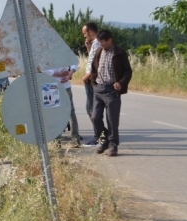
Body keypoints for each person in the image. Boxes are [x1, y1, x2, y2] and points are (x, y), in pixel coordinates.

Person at [90, 29, 132, 157]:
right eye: (99, 42)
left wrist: (121, 83)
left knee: (112, 120)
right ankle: (103, 141)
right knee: (95, 118)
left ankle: (113, 145)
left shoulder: (119, 53)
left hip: (112, 91)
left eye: (103, 42)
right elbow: (93, 69)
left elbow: (128, 71)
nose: (101, 44)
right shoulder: (98, 52)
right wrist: (94, 83)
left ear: (110, 40)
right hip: (98, 89)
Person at [81, 21, 107, 145]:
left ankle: (100, 136)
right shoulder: (94, 44)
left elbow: (96, 63)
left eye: (85, 33)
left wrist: (87, 76)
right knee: (90, 108)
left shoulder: (98, 44)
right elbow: (92, 58)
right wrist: (88, 47)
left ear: (91, 32)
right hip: (91, 78)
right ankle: (101, 134)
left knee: (93, 109)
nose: (85, 36)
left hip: (92, 79)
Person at [44, 64, 82, 147]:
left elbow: (41, 68)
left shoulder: (43, 52)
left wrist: (54, 73)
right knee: (70, 112)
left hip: (50, 86)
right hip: (65, 83)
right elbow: (75, 63)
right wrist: (70, 73)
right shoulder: (63, 51)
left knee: (53, 114)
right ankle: (75, 139)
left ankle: (56, 141)